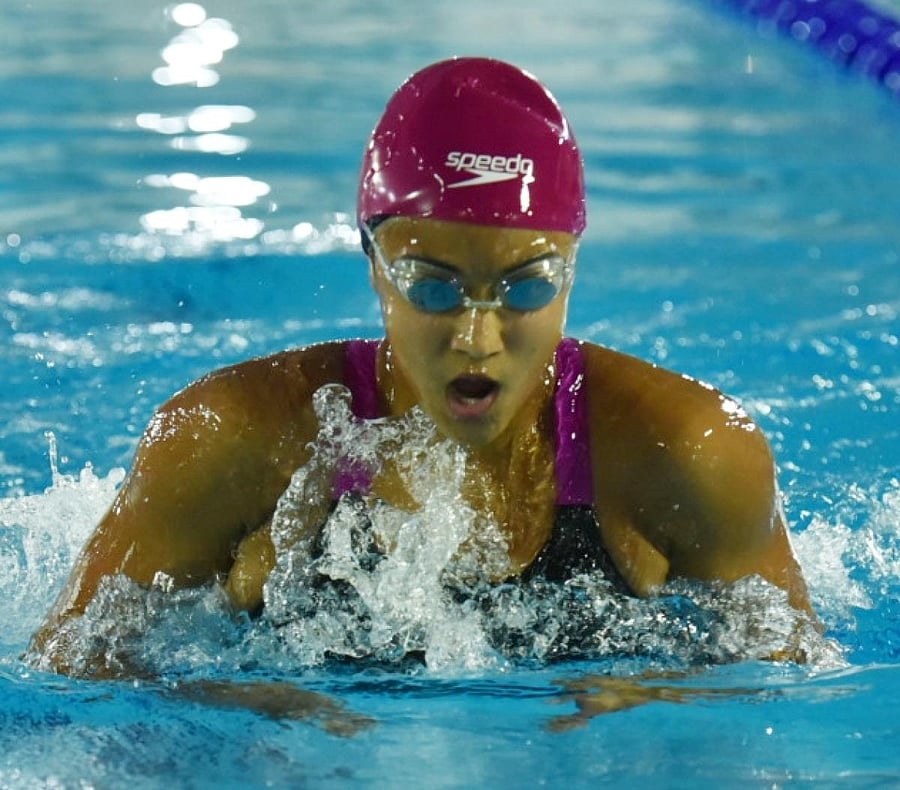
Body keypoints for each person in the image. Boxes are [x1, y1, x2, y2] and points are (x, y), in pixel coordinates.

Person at [30, 57, 814, 674]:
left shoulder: (689, 452)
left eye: (528, 286)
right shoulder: (229, 438)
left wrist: (662, 696)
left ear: (575, 266)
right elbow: (70, 671)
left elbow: (794, 685)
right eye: (433, 288)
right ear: (372, 263)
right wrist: (236, 704)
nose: (477, 336)